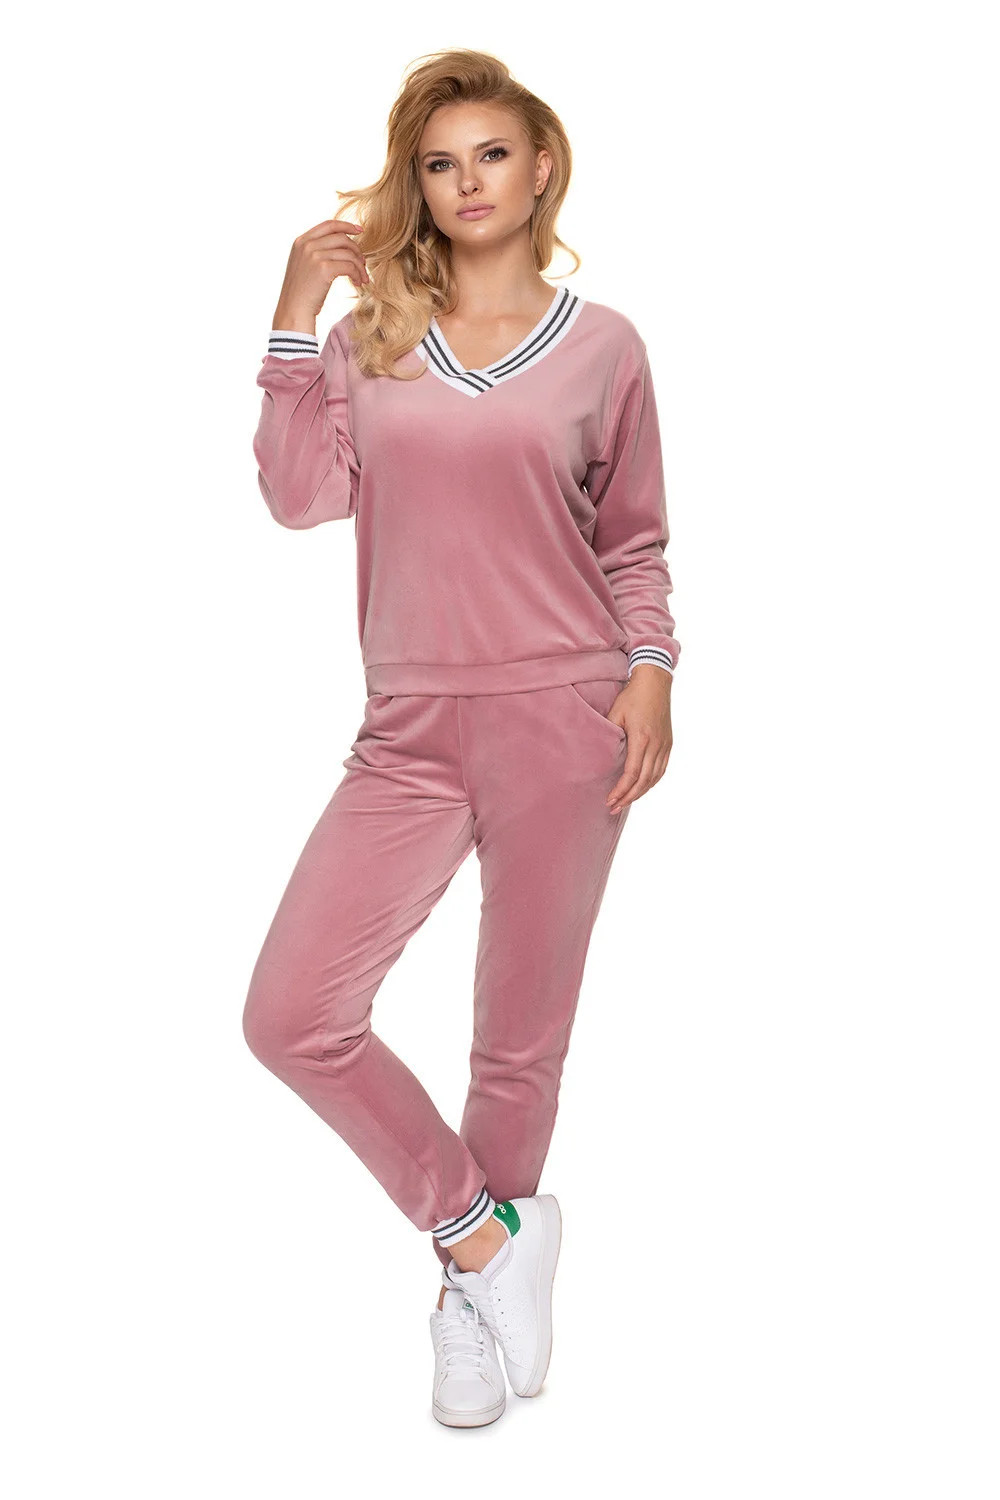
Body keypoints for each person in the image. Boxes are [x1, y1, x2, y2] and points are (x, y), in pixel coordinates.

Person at [242, 47, 681, 1428]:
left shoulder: (605, 347)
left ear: (541, 168)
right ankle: (484, 1238)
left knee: (517, 1045)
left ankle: (470, 1318)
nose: (467, 182)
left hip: (568, 715)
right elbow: (298, 497)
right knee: (292, 1014)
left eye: (491, 154)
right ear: (416, 188)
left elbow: (634, 541)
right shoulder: (373, 342)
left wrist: (653, 671)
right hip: (409, 729)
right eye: (439, 164)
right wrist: (295, 313)